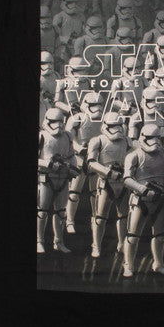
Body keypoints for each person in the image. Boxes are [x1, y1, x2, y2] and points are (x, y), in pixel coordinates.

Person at [123, 124, 164, 277]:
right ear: (142, 137)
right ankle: (129, 265)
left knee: (160, 235)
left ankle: (159, 264)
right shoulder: (134, 156)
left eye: (157, 138)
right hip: (140, 199)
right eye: (150, 138)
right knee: (133, 235)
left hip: (159, 199)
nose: (154, 141)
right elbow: (127, 179)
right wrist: (143, 190)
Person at [87, 112, 132, 257]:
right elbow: (91, 163)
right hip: (105, 182)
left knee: (124, 216)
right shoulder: (98, 141)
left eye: (119, 125)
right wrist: (108, 172)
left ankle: (122, 244)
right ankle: (96, 246)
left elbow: (133, 159)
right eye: (113, 126)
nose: (117, 129)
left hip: (122, 182)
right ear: (106, 126)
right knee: (100, 217)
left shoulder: (127, 141)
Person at [37, 108, 78, 254]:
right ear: (47, 121)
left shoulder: (67, 136)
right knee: (42, 211)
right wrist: (48, 164)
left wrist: (73, 168)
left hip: (63, 178)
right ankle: (39, 241)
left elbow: (71, 155)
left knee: (61, 212)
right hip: (46, 178)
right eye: (54, 121)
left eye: (60, 121)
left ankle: (59, 241)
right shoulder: (42, 136)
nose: (58, 125)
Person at [65, 92, 104, 233]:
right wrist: (79, 149)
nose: (97, 108)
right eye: (93, 105)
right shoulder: (77, 119)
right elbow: (68, 139)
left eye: (99, 104)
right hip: (79, 158)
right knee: (74, 192)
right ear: (86, 105)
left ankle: (95, 219)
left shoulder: (104, 119)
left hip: (96, 158)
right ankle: (70, 220)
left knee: (96, 193)